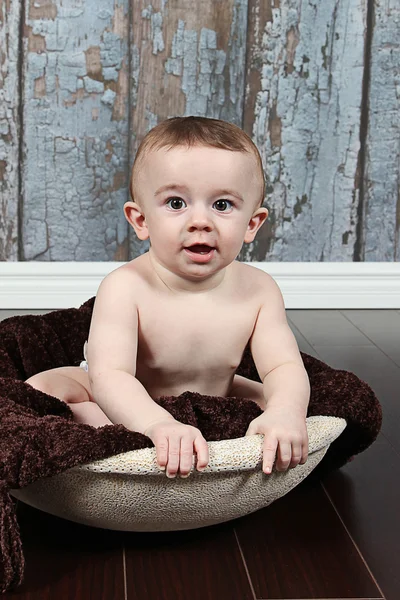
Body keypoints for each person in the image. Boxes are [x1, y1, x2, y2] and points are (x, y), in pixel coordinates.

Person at [25, 116, 310, 480]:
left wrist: (285, 412)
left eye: (222, 205)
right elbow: (110, 375)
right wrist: (156, 423)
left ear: (252, 224)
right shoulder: (125, 287)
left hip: (213, 398)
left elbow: (282, 366)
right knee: (42, 389)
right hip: (119, 397)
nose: (200, 221)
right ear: (140, 219)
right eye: (176, 203)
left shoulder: (259, 290)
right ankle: (116, 435)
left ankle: (209, 437)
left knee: (288, 397)